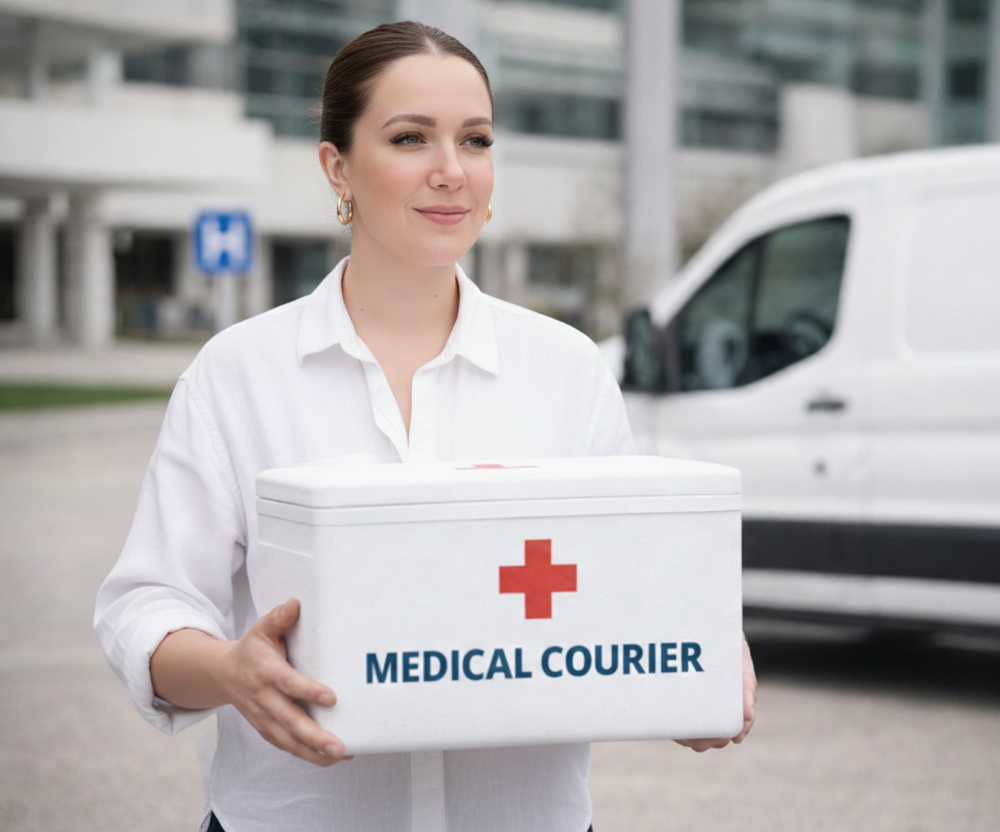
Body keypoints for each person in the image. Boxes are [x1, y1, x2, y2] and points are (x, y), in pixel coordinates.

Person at [94, 21, 756, 832]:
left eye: (474, 140)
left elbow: (625, 586)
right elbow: (149, 603)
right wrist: (231, 670)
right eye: (410, 138)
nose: (451, 172)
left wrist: (696, 668)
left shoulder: (568, 369)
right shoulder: (238, 374)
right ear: (338, 166)